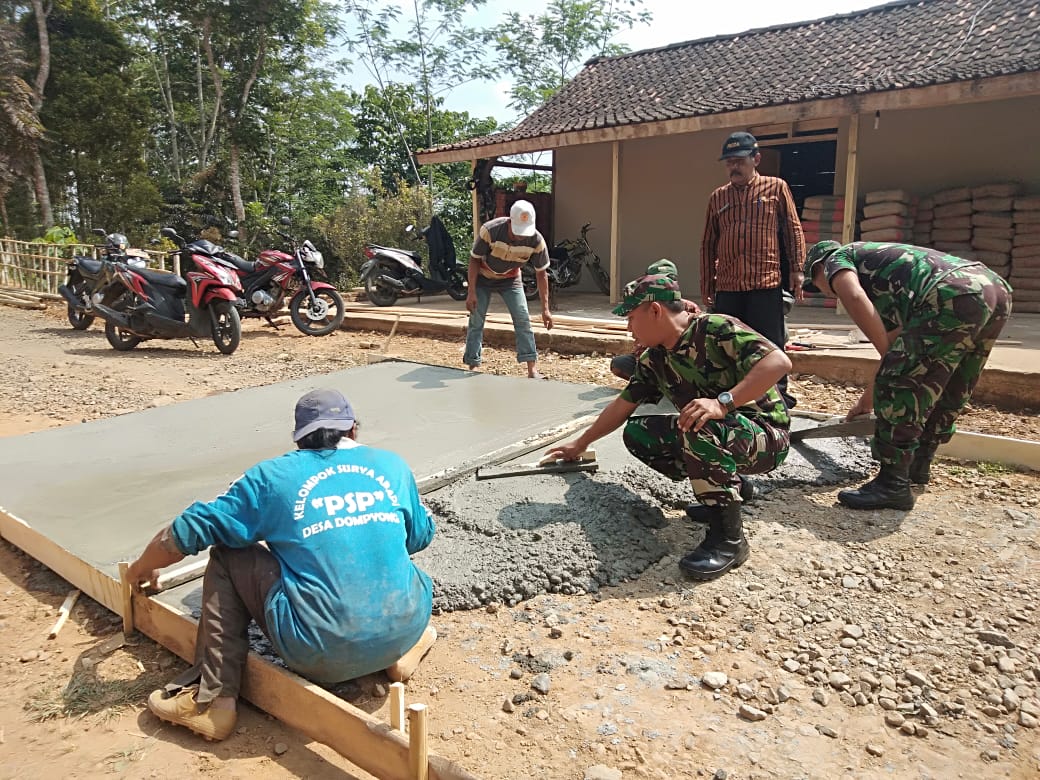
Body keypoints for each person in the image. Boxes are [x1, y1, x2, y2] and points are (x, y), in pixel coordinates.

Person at [126, 388, 437, 741]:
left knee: (230, 552)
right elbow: (419, 538)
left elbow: (190, 528)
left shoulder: (271, 479)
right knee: (390, 556)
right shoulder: (391, 464)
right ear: (353, 430)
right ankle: (392, 652)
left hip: (317, 650)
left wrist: (140, 568)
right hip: (410, 623)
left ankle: (213, 703)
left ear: (300, 441)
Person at [547, 272, 792, 581]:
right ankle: (730, 488)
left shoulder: (716, 329)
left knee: (698, 424)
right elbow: (622, 405)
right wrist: (579, 444)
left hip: (766, 437)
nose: (629, 328)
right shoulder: (655, 359)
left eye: (632, 318)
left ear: (654, 311)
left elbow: (778, 363)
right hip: (724, 435)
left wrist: (722, 403)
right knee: (640, 433)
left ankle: (729, 541)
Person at [803, 240, 1013, 510]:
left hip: (952, 290)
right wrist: (864, 403)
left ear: (819, 267)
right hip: (991, 288)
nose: (823, 290)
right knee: (949, 381)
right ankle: (917, 466)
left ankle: (893, 485)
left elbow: (853, 297)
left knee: (903, 384)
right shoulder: (893, 280)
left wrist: (892, 363)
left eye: (816, 283)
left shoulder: (838, 258)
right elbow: (896, 349)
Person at [701, 131, 805, 407]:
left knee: (769, 343)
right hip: (729, 285)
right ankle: (731, 396)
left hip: (765, 282)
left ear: (756, 159)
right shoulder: (718, 198)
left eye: (739, 161)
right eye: (729, 162)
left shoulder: (776, 188)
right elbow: (708, 243)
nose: (733, 167)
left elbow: (792, 230)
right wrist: (707, 285)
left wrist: (797, 269)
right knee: (726, 344)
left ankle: (777, 396)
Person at [465, 199, 553, 379]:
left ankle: (532, 369)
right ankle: (472, 364)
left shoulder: (536, 241)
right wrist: (471, 292)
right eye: (518, 231)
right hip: (483, 277)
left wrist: (545, 309)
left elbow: (541, 274)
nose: (521, 237)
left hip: (511, 279)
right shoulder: (490, 230)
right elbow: (474, 260)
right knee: (476, 319)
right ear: (509, 221)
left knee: (522, 319)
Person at [609, 258, 701, 381]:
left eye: (632, 318)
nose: (629, 328)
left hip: (676, 360)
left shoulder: (692, 312)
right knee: (620, 364)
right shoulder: (644, 309)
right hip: (653, 357)